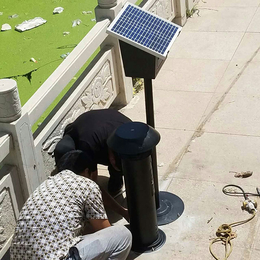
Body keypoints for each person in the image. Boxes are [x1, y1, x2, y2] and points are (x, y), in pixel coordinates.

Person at [10, 150, 132, 260]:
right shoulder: (87, 184)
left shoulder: (46, 185)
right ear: (87, 171)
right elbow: (105, 231)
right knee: (122, 235)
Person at [54, 109, 132, 196]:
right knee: (62, 150)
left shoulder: (131, 133)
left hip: (106, 121)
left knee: (116, 179)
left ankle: (116, 178)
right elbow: (93, 184)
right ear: (112, 158)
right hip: (80, 130)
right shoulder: (88, 144)